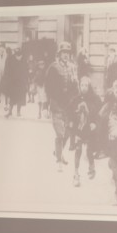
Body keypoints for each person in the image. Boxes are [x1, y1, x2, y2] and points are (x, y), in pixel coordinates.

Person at [45, 41, 78, 172]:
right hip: (57, 105)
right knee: (60, 134)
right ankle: (58, 160)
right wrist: (46, 105)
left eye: (68, 53)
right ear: (59, 54)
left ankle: (58, 152)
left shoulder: (73, 67)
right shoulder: (54, 67)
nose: (66, 55)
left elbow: (76, 86)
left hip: (68, 106)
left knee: (68, 133)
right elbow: (48, 87)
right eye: (63, 53)